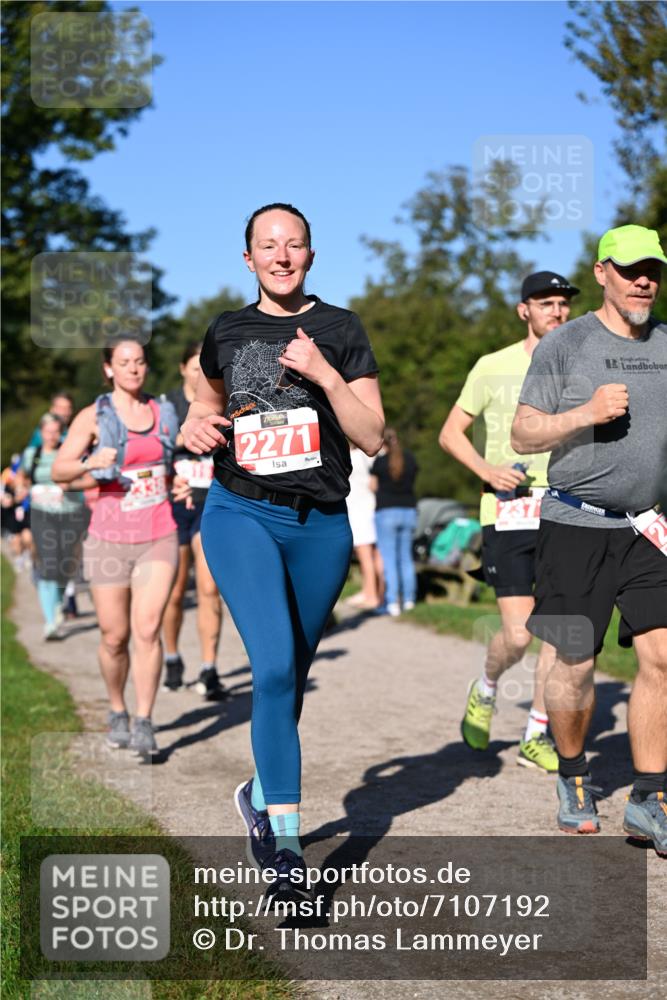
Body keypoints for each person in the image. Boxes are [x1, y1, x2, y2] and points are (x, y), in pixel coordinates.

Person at [182, 203, 384, 899]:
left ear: (310, 255)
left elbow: (372, 436)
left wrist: (325, 375)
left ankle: (259, 796)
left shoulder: (340, 328)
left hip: (320, 524)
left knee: (289, 677)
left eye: (293, 244)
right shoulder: (228, 330)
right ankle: (288, 852)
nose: (281, 255)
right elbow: (200, 389)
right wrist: (195, 420)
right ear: (248, 259)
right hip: (240, 512)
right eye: (268, 246)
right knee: (269, 668)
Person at [511, 225, 667, 855]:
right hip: (574, 526)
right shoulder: (565, 345)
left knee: (662, 657)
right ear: (602, 272)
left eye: (653, 269)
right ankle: (574, 776)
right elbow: (523, 435)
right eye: (631, 269)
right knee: (575, 664)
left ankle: (649, 797)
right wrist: (585, 415)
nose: (644, 281)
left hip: (644, 529)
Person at [439, 271, 579, 773]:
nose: (557, 312)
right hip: (508, 506)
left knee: (557, 629)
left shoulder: (579, 365)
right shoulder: (492, 366)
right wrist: (487, 469)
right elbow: (451, 434)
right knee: (519, 635)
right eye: (546, 303)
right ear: (525, 310)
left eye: (563, 304)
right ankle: (487, 686)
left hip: (565, 506)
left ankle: (536, 733)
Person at [53, 338, 188, 758]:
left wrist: (176, 482)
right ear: (108, 368)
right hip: (109, 538)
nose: (134, 369)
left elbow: (165, 465)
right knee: (115, 637)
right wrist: (90, 463)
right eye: (124, 362)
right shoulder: (94, 416)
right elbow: (60, 470)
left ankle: (145, 720)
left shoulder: (162, 411)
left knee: (147, 630)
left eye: (140, 361)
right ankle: (117, 709)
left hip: (158, 533)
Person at [162, 342, 226, 700]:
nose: (201, 373)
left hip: (209, 502)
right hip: (174, 505)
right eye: (194, 366)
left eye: (206, 367)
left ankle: (209, 668)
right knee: (173, 593)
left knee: (208, 589)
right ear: (182, 368)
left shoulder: (222, 398)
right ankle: (172, 656)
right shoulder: (167, 405)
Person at [20, 414, 90, 639]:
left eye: (56, 431)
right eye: (47, 431)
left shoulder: (71, 453)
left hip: (70, 514)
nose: (51, 436)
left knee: (65, 565)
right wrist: (24, 490)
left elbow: (89, 478)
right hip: (42, 515)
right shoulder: (33, 454)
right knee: (48, 564)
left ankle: (59, 603)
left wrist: (70, 485)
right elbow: (23, 478)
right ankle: (50, 622)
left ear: (62, 433)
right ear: (40, 433)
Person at [370, 428, 418, 616]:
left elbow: (372, 486)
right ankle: (409, 600)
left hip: (386, 511)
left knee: (389, 559)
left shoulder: (380, 462)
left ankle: (392, 602)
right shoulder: (410, 459)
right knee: (406, 557)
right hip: (409, 510)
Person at [345, 443, 384, 610]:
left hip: (358, 508)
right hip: (372, 505)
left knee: (365, 555)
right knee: (377, 554)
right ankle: (380, 592)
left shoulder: (352, 458)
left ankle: (371, 595)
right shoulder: (372, 455)